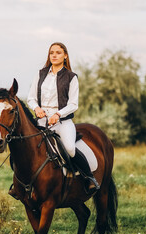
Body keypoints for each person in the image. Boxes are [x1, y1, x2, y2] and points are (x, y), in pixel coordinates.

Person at [24, 42, 99, 194]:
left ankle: (89, 178)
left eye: (58, 52)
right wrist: (36, 108)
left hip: (62, 122)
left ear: (65, 56)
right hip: (41, 121)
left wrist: (58, 114)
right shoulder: (40, 74)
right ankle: (21, 184)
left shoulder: (71, 77)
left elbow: (73, 104)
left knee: (70, 148)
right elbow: (30, 98)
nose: (54, 55)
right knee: (27, 147)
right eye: (52, 53)